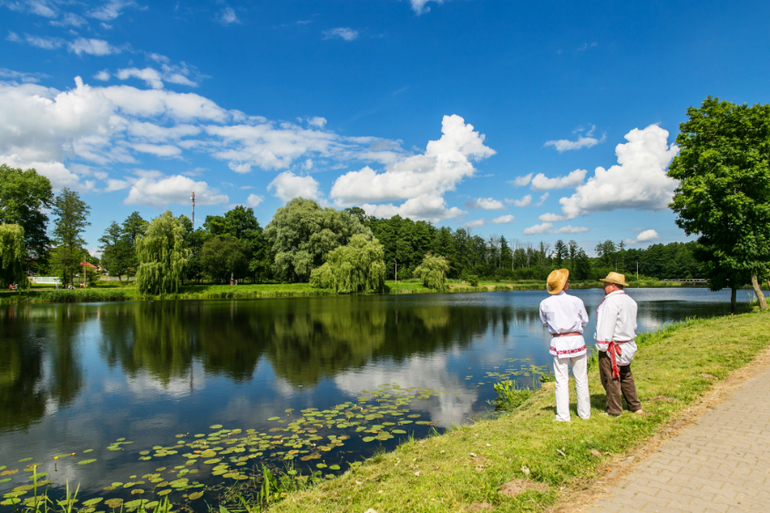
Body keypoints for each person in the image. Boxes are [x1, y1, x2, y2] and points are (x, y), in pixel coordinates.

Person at [539, 268, 590, 422]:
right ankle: (584, 413)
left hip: (559, 341)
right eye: (567, 281)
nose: (568, 283)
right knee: (581, 378)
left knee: (561, 380)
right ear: (564, 285)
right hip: (576, 339)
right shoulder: (576, 301)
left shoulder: (545, 303)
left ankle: (563, 415)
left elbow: (544, 322)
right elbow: (585, 321)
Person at [595, 272, 643, 416]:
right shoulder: (630, 301)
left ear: (613, 286)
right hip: (627, 344)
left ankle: (614, 410)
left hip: (613, 346)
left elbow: (606, 325)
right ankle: (635, 406)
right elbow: (633, 324)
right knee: (626, 375)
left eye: (606, 284)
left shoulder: (610, 302)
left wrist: (602, 346)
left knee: (611, 378)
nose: (603, 287)